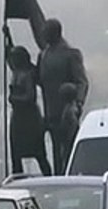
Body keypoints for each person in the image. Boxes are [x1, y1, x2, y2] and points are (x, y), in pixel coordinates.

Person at [37, 18, 89, 173]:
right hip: (51, 112)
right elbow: (38, 79)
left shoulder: (70, 54)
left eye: (45, 31)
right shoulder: (43, 55)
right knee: (56, 155)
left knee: (68, 152)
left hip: (67, 111)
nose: (43, 34)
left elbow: (81, 82)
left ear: (54, 32)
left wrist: (78, 103)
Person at [3, 25, 52, 175]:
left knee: (39, 154)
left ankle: (49, 178)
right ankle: (18, 177)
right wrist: (7, 36)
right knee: (16, 155)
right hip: (18, 119)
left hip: (29, 120)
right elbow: (9, 53)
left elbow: (30, 97)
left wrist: (14, 98)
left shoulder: (29, 73)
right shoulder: (16, 71)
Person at [51, 83, 82, 173]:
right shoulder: (73, 108)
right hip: (69, 140)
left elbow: (71, 127)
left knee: (66, 161)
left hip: (68, 141)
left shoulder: (69, 111)